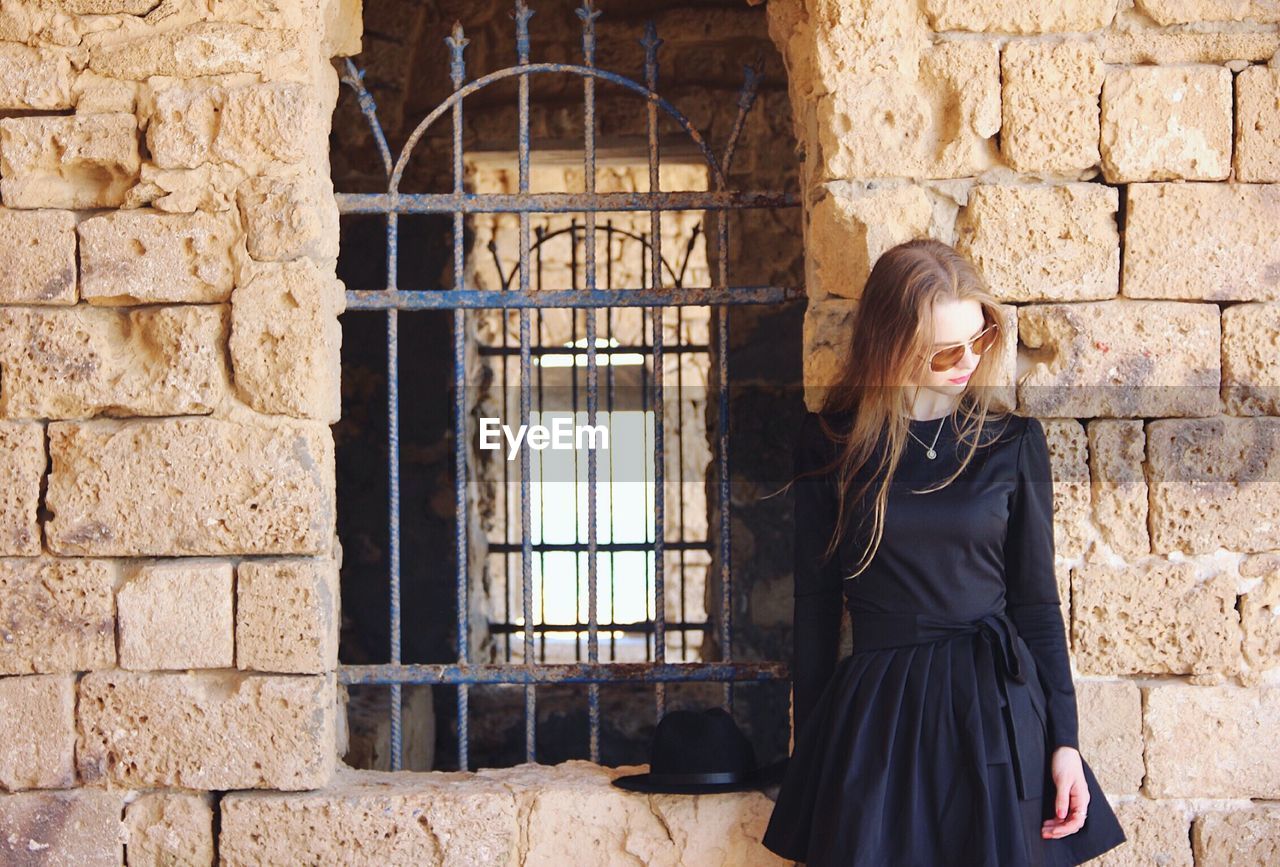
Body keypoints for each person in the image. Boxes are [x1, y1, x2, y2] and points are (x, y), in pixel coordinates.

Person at [761, 239, 1127, 866]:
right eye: (945, 350)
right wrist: (815, 749)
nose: (968, 361)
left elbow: (1037, 604)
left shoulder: (1011, 443)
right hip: (880, 716)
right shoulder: (831, 445)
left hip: (995, 709)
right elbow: (817, 610)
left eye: (979, 339)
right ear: (892, 345)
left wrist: (1065, 742)